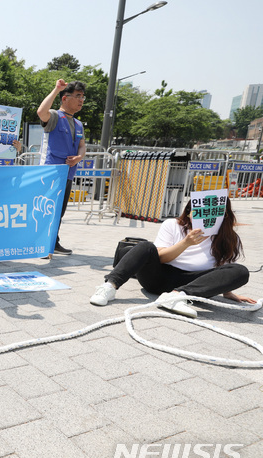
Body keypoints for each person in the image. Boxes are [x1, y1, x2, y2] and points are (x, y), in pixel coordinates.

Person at [89, 199, 255, 317]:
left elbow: (222, 269)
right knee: (146, 247)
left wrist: (228, 292)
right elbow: (160, 257)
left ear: (223, 215)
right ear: (189, 212)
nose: (204, 217)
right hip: (159, 277)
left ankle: (176, 297)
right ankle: (109, 286)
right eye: (198, 212)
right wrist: (185, 243)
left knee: (240, 271)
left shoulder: (227, 237)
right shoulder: (173, 225)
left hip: (193, 285)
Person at [36, 79, 86, 255]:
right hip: (51, 172)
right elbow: (41, 112)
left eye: (83, 97)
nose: (81, 100)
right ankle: (40, 244)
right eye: (78, 96)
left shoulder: (79, 123)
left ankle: (53, 242)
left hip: (68, 173)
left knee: (60, 211)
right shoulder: (55, 116)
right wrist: (56, 89)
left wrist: (80, 157)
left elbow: (82, 144)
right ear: (65, 98)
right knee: (45, 208)